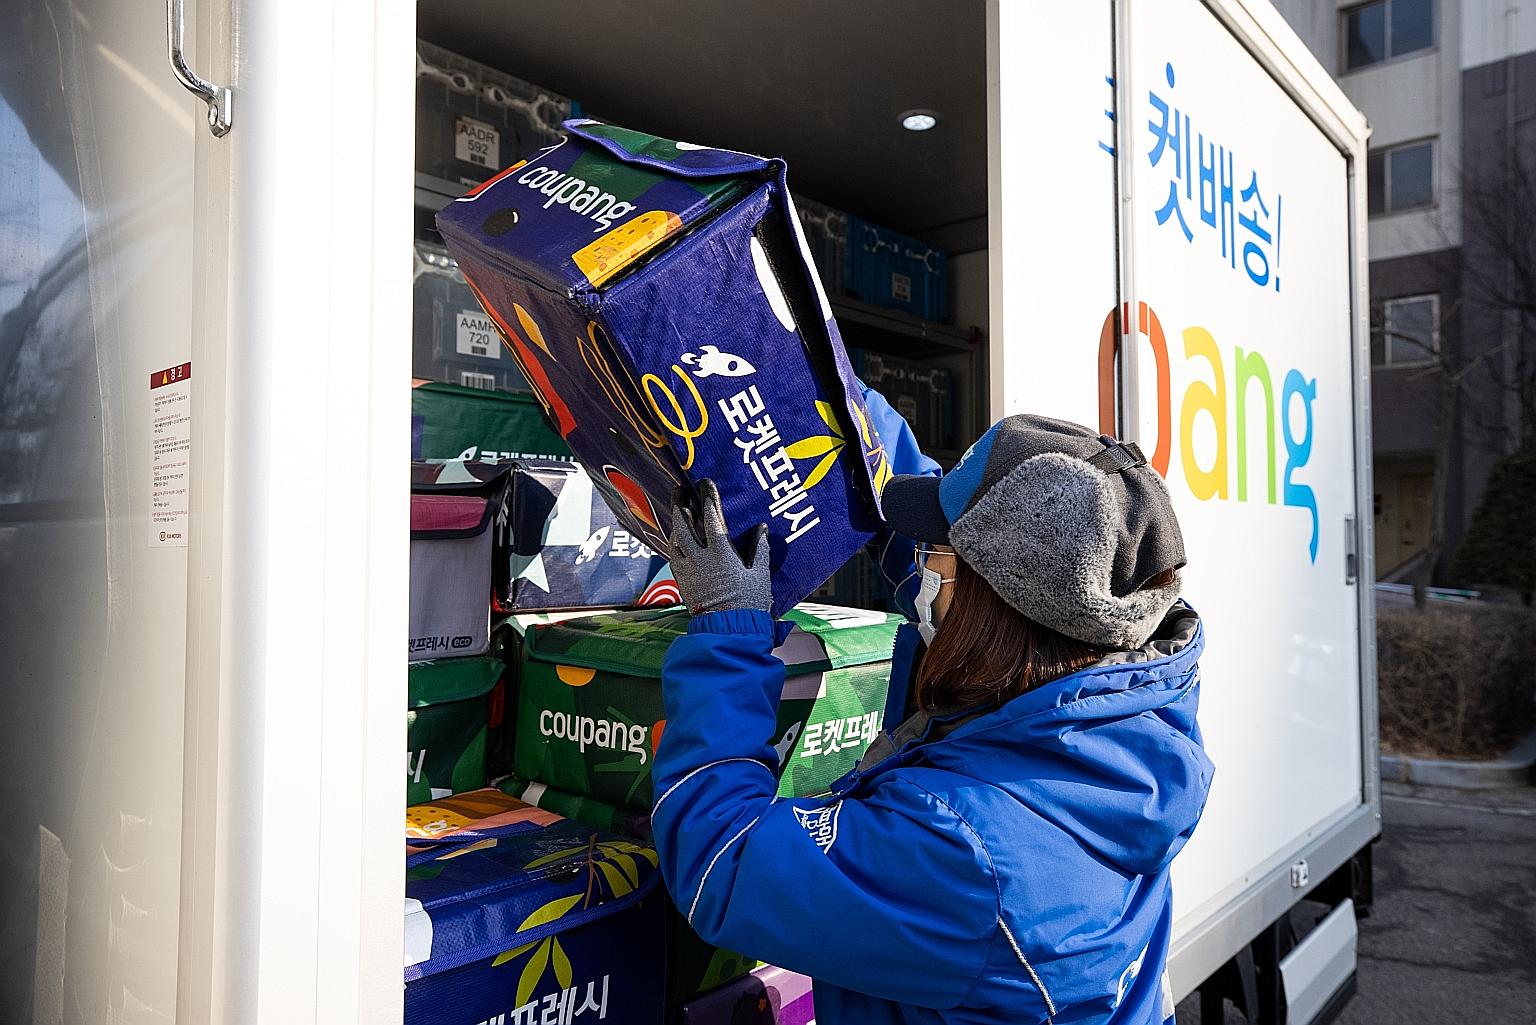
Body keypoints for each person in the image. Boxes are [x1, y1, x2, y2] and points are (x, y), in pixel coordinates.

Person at [651, 390, 1214, 1025]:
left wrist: (727, 633)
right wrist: (840, 394)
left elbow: (723, 859)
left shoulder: (966, 850)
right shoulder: (1123, 710)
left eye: (937, 555)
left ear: (987, 605)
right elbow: (968, 556)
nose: (923, 568)